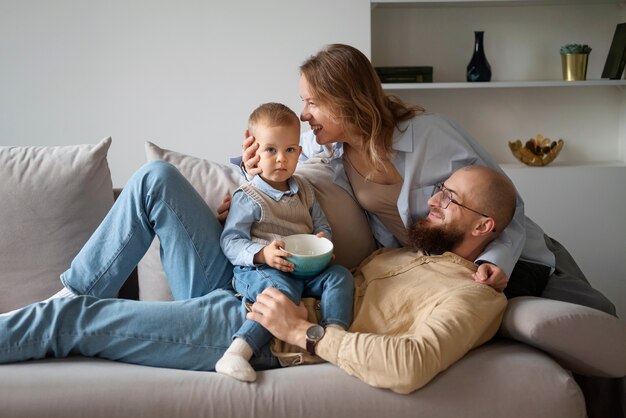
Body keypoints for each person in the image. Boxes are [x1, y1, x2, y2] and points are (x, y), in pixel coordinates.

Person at [0, 165, 515, 395]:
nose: (433, 200)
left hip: (263, 325)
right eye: (440, 189)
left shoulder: (473, 294)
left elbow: (411, 364)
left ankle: (59, 312)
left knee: (73, 321)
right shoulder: (404, 252)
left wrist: (304, 333)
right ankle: (75, 286)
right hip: (253, 275)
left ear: (483, 227)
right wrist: (240, 218)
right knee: (155, 180)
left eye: (450, 199)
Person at [237, 43, 615, 317]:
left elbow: (505, 200)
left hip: (523, 254)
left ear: (346, 102)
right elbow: (271, 156)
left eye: (312, 102)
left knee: (603, 321)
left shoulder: (432, 135)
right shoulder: (329, 148)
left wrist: (496, 259)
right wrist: (245, 184)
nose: (303, 114)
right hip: (450, 269)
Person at [216, 102, 353, 382]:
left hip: (303, 267)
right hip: (260, 271)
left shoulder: (304, 189)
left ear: (299, 152)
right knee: (282, 292)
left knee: (340, 275)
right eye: (271, 150)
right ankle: (238, 351)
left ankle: (334, 338)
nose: (281, 159)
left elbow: (321, 225)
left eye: (289, 150)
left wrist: (323, 241)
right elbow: (230, 241)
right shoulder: (248, 196)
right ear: (254, 150)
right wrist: (262, 254)